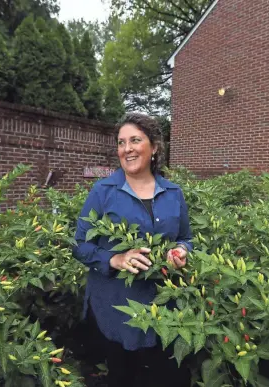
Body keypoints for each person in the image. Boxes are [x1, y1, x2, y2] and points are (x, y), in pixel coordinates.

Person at [73, 113, 193, 387]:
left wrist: (181, 252)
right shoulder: (103, 191)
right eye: (121, 142)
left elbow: (186, 238)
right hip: (117, 308)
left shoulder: (173, 192)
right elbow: (79, 244)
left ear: (154, 147)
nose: (126, 148)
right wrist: (114, 258)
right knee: (123, 376)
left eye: (135, 140)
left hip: (165, 307)